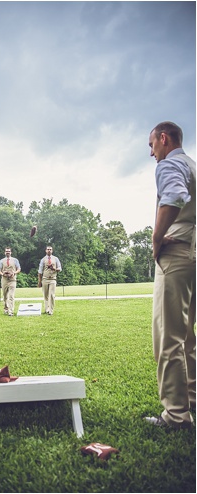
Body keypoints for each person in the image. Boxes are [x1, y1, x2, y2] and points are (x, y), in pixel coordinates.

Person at [145, 121, 195, 429]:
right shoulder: (193, 164)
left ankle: (176, 415)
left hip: (177, 254)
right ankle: (191, 398)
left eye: (151, 145)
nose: (152, 153)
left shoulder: (170, 165)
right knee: (188, 335)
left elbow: (175, 197)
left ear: (164, 139)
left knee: (168, 337)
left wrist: (156, 237)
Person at [37, 245, 62, 315]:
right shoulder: (43, 260)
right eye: (48, 249)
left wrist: (54, 269)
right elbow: (40, 271)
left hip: (53, 279)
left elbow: (60, 268)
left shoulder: (56, 259)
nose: (49, 250)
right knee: (46, 295)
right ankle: (46, 309)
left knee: (52, 295)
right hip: (45, 279)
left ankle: (51, 310)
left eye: (50, 249)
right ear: (45, 251)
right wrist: (39, 282)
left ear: (52, 251)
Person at [0, 247, 21, 316]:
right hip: (4, 280)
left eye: (9, 251)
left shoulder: (15, 260)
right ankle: (6, 308)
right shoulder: (1, 261)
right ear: (5, 252)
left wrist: (14, 273)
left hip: (12, 280)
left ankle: (11, 311)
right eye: (6, 251)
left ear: (11, 252)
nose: (7, 252)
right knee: (5, 296)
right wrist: (3, 274)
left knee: (11, 296)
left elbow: (19, 268)